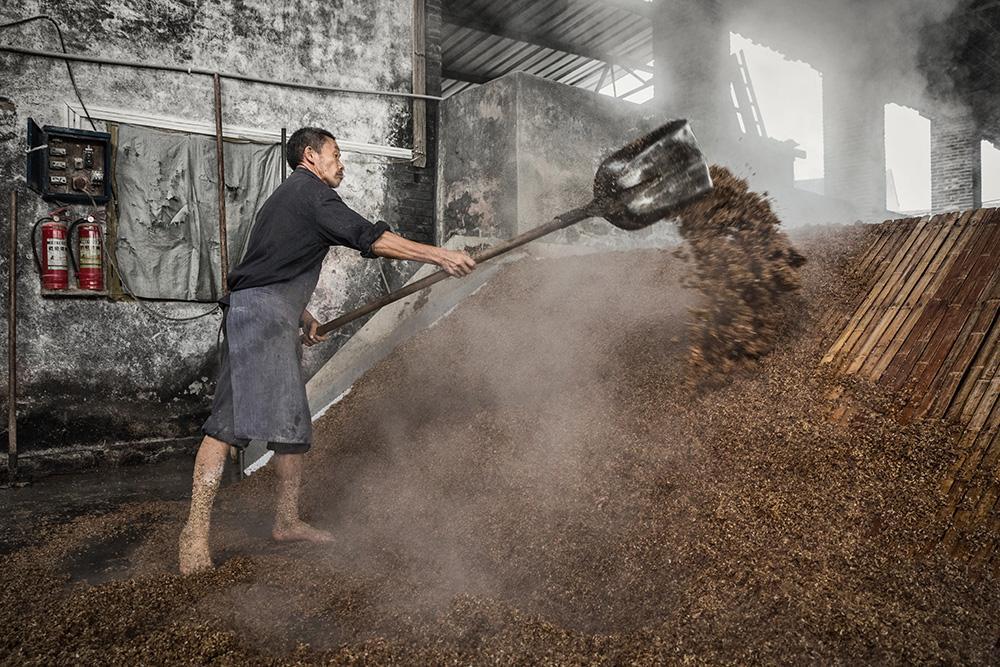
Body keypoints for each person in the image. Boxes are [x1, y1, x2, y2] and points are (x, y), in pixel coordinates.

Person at [178, 127, 475, 573]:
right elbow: (368, 237)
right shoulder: (311, 193)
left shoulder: (289, 197)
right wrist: (440, 256)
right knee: (229, 422)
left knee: (292, 426)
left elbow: (270, 265)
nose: (342, 163)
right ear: (311, 156)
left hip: (272, 313)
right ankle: (194, 533)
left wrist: (303, 315)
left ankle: (286, 520)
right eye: (336, 154)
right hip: (259, 318)